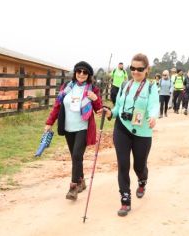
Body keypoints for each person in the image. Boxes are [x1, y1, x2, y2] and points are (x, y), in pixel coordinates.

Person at [104, 53, 159, 217]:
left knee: (139, 166)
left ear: (147, 70)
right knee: (123, 164)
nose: (135, 72)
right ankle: (125, 199)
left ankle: (142, 180)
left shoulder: (150, 87)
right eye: (132, 68)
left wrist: (153, 117)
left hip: (142, 132)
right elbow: (118, 107)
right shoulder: (124, 86)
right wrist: (110, 113)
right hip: (121, 128)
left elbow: (154, 106)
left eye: (139, 69)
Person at [45, 61, 103, 200]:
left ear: (89, 75)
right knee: (75, 157)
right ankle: (81, 181)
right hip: (68, 128)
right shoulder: (66, 87)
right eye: (79, 71)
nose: (81, 74)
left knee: (77, 155)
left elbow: (99, 110)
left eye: (85, 72)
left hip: (83, 128)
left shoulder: (92, 89)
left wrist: (96, 99)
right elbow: (57, 106)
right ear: (75, 72)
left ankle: (73, 187)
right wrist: (49, 122)